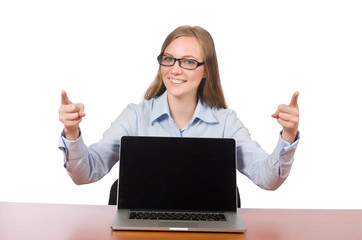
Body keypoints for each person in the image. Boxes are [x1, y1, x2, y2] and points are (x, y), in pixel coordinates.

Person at [59, 25, 300, 190]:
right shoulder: (135, 117)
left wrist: (288, 136)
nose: (175, 69)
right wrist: (72, 132)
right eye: (169, 58)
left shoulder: (226, 122)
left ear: (206, 70)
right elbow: (86, 173)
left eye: (188, 62)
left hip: (209, 230)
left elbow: (267, 179)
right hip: (142, 229)